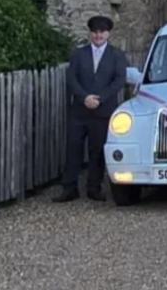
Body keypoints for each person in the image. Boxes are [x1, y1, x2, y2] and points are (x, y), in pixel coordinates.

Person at [53, 15, 129, 202]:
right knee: (73, 148)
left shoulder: (117, 55)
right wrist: (84, 97)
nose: (98, 35)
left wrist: (100, 98)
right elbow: (72, 78)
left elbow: (119, 80)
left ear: (108, 34)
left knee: (97, 150)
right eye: (95, 32)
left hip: (103, 111)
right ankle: (70, 187)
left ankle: (94, 187)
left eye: (101, 32)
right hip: (79, 110)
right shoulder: (79, 54)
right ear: (90, 33)